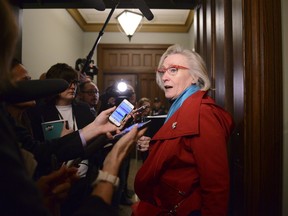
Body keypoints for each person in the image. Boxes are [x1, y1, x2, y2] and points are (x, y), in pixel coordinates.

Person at [0, 2, 146, 215]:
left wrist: (98, 129)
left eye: (74, 83)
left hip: (78, 182)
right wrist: (111, 166)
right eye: (24, 81)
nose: (71, 86)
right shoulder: (34, 113)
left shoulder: (84, 110)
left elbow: (37, 152)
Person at [132, 44, 234, 216]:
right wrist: (154, 146)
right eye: (163, 71)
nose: (164, 77)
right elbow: (183, 152)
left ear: (194, 77)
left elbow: (215, 185)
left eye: (173, 70)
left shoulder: (203, 113)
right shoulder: (181, 108)